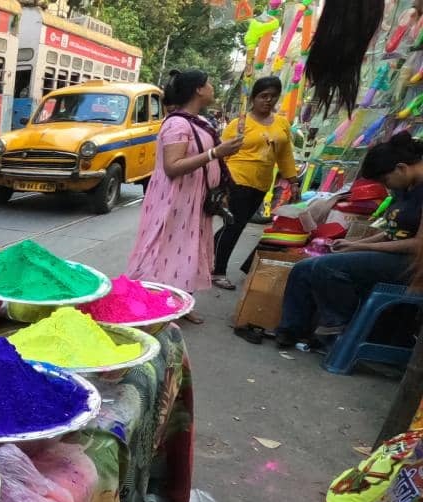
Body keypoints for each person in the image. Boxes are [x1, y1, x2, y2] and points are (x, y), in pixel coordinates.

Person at [272, 132, 423, 347]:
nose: (388, 187)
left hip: (412, 265)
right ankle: (292, 330)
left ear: (401, 168)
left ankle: (339, 326)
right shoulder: (407, 187)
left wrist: (364, 248)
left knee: (327, 267)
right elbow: (392, 232)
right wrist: (353, 245)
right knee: (303, 268)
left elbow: (417, 244)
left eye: (385, 181)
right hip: (393, 256)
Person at [126, 70, 244, 324]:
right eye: (209, 83)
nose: (212, 87)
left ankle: (179, 304)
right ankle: (152, 305)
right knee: (164, 253)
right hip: (175, 202)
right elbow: (172, 166)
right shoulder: (177, 124)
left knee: (188, 252)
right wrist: (215, 153)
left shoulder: (199, 122)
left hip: (195, 201)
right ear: (198, 89)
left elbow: (205, 157)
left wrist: (221, 155)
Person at [212, 77, 301, 289]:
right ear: (253, 98)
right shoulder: (239, 124)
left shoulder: (281, 123)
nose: (268, 100)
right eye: (263, 96)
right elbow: (221, 154)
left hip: (261, 184)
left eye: (273, 96)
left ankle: (208, 257)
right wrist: (220, 185)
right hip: (237, 180)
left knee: (235, 225)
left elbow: (285, 155)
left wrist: (293, 181)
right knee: (234, 225)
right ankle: (218, 271)